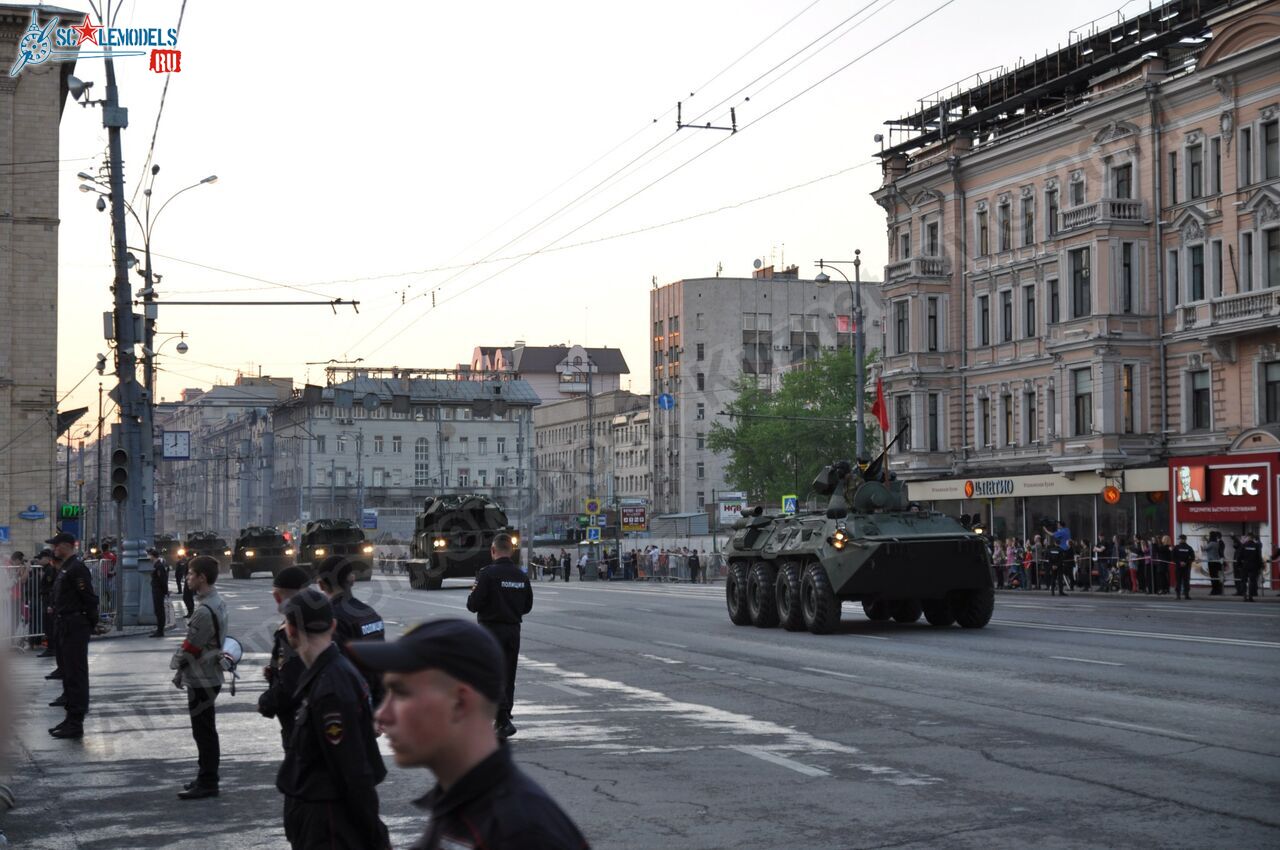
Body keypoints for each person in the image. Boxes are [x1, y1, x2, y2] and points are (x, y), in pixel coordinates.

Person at [352, 618, 590, 850]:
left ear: (459, 702)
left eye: (401, 693)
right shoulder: (462, 803)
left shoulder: (520, 833)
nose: (382, 715)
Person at [276, 588, 390, 849]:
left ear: (291, 631)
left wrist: (374, 834)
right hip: (324, 820)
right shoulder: (334, 672)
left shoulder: (330, 687)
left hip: (328, 826)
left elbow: (353, 771)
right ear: (333, 625)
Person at [169, 556, 228, 799]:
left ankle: (208, 781)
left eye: (191, 574)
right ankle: (205, 776)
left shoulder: (204, 610)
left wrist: (177, 668)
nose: (188, 577)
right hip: (210, 673)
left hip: (202, 675)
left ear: (202, 578)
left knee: (203, 732)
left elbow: (191, 646)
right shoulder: (216, 601)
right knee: (206, 730)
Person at [466, 532, 531, 741]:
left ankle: (502, 719)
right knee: (509, 675)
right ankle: (504, 716)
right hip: (513, 630)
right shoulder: (521, 576)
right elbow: (527, 606)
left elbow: (472, 605)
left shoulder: (487, 574)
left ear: (493, 551)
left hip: (490, 630)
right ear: (511, 552)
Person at [317, 555, 387, 708]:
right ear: (352, 579)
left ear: (321, 585)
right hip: (374, 698)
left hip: (349, 701)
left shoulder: (331, 619)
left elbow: (335, 667)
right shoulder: (370, 613)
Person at [46, 532, 97, 740]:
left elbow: (89, 599)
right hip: (65, 624)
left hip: (75, 625)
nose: (54, 549)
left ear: (66, 546)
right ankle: (70, 717)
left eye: (56, 546)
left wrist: (90, 624)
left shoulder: (76, 568)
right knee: (68, 674)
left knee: (76, 675)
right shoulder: (67, 566)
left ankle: (76, 721)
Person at [257, 566, 311, 749]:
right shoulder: (324, 619)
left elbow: (291, 683)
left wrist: (266, 702)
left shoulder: (292, 630)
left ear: (278, 597)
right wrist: (274, 671)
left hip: (299, 720)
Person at [1043, 521, 1071, 597]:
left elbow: (1052, 534)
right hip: (1061, 559)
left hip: (1054, 564)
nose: (1057, 526)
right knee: (1060, 577)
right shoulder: (1067, 530)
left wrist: (1045, 530)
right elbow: (1061, 559)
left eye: (1058, 525)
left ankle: (1052, 591)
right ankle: (1061, 591)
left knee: (1053, 577)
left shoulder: (1051, 549)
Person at [149, 548, 170, 637]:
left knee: (159, 610)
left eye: (149, 555)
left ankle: (160, 630)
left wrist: (165, 591)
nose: (148, 557)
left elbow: (162, 580)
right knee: (158, 610)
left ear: (152, 556)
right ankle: (159, 629)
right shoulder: (156, 565)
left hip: (158, 591)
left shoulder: (159, 566)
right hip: (157, 590)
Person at [1239, 531, 1263, 602]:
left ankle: (1244, 596)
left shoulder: (1244, 545)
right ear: (1253, 538)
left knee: (1244, 581)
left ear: (1248, 537)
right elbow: (1259, 557)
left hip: (1245, 565)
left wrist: (1239, 565)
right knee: (1252, 581)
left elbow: (1239, 556)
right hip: (1253, 566)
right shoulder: (1256, 546)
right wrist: (1260, 566)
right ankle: (1250, 596)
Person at [1171, 534, 1196, 600]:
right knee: (1182, 581)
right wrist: (1181, 562)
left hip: (1183, 567)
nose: (1179, 540)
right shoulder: (1179, 547)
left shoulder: (1186, 547)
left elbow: (1192, 557)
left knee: (1183, 581)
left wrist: (1183, 562)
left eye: (1180, 539)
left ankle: (1184, 595)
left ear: (1183, 539)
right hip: (1182, 567)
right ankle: (1181, 595)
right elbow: (1173, 557)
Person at [1202, 531, 1225, 596]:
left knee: (1213, 577)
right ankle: (1218, 590)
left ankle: (1214, 590)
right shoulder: (1216, 543)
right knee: (1217, 576)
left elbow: (1204, 549)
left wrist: (1203, 543)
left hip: (1211, 561)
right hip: (1217, 561)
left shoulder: (1211, 543)